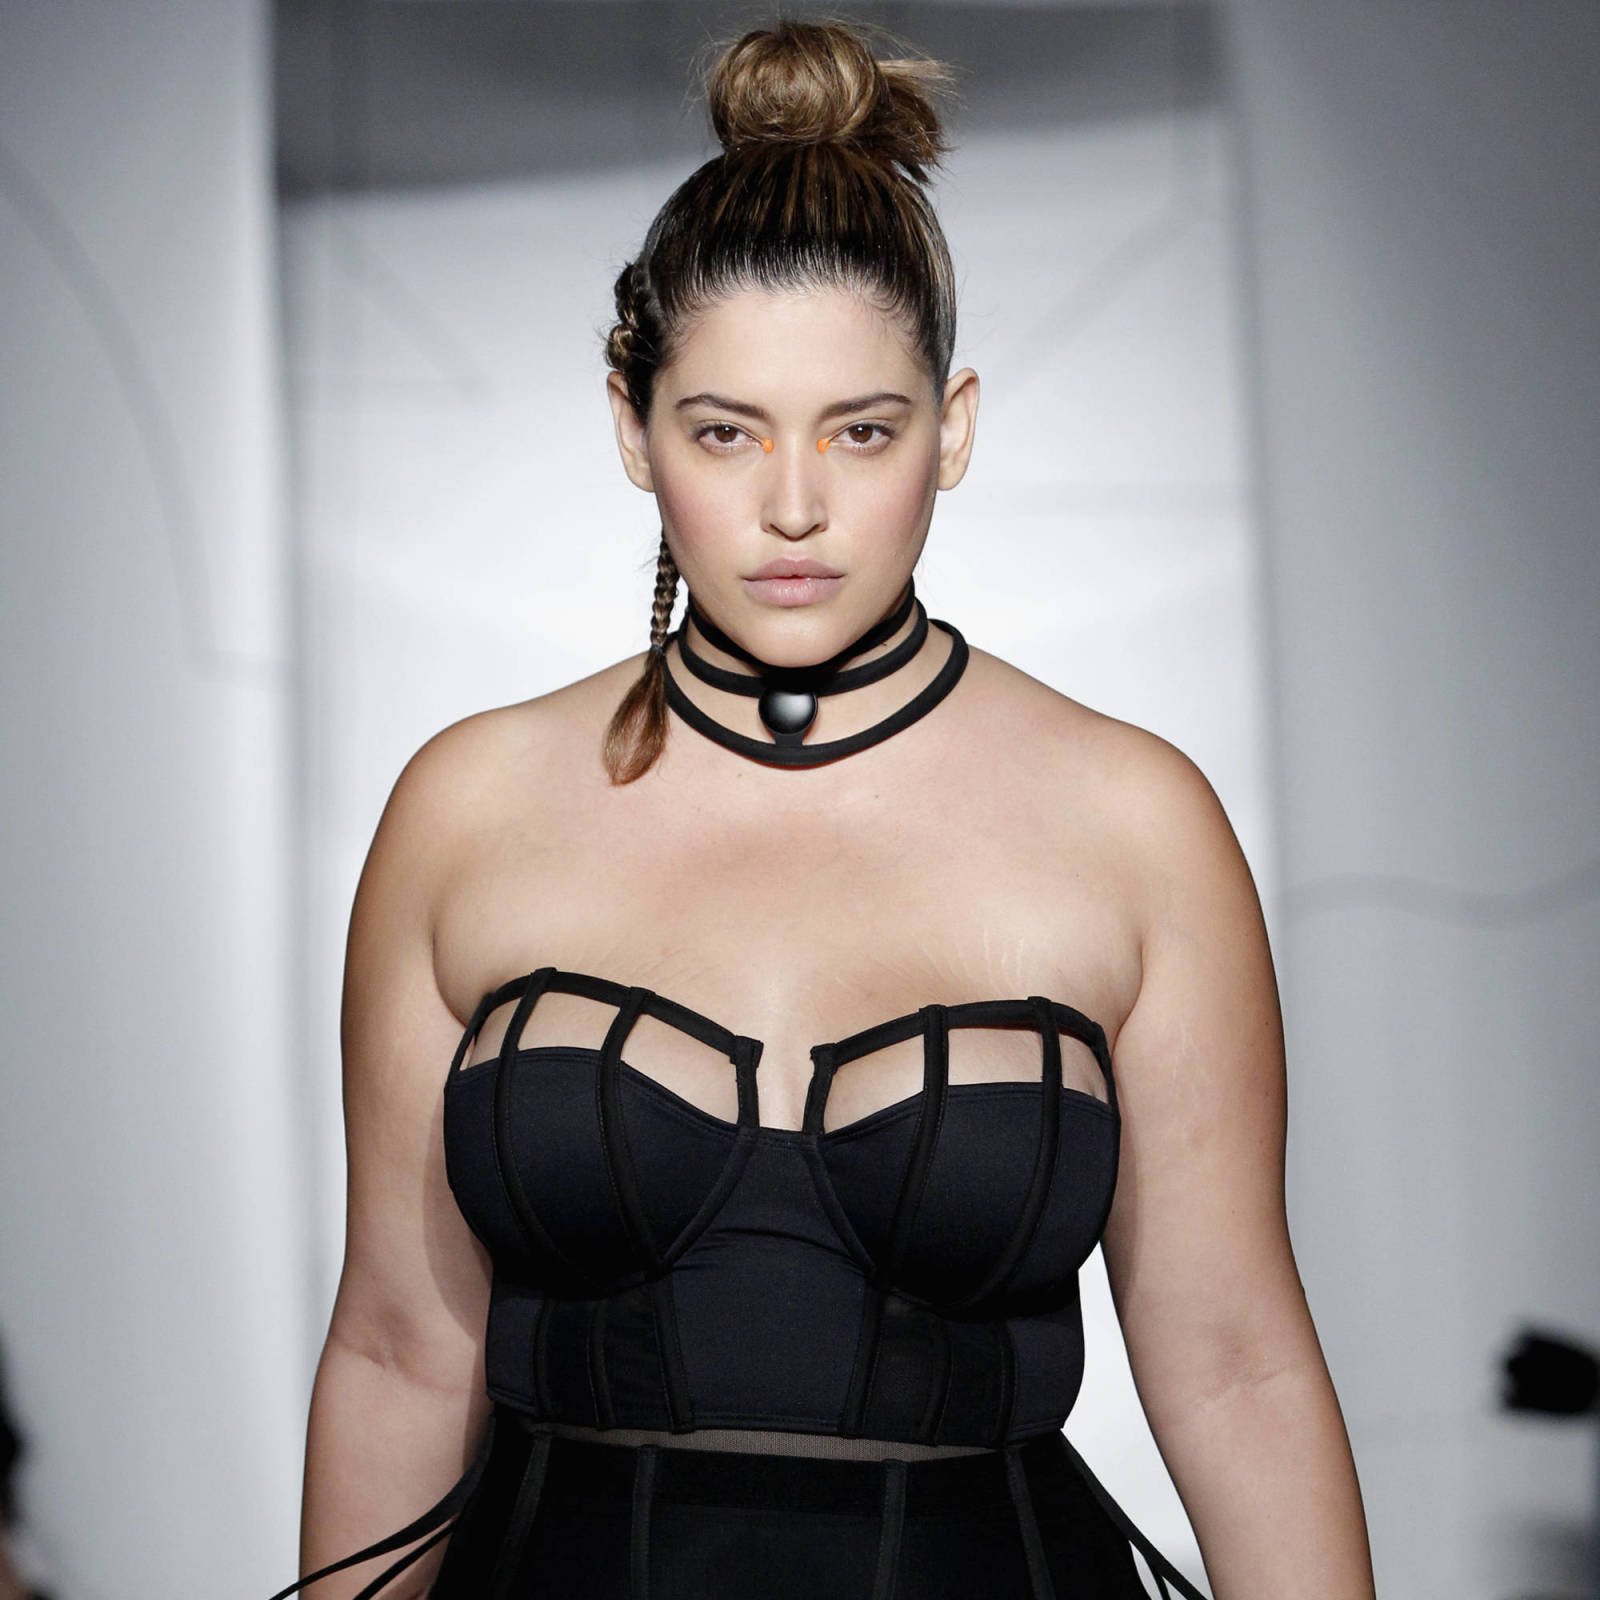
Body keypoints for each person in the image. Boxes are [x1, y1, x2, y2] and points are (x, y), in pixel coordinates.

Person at [269, 17, 1376, 1599]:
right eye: (726, 431)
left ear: (956, 426)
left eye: (863, 431)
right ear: (631, 427)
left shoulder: (1134, 826)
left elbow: (1237, 1365)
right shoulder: (471, 807)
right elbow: (394, 1349)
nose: (795, 506)